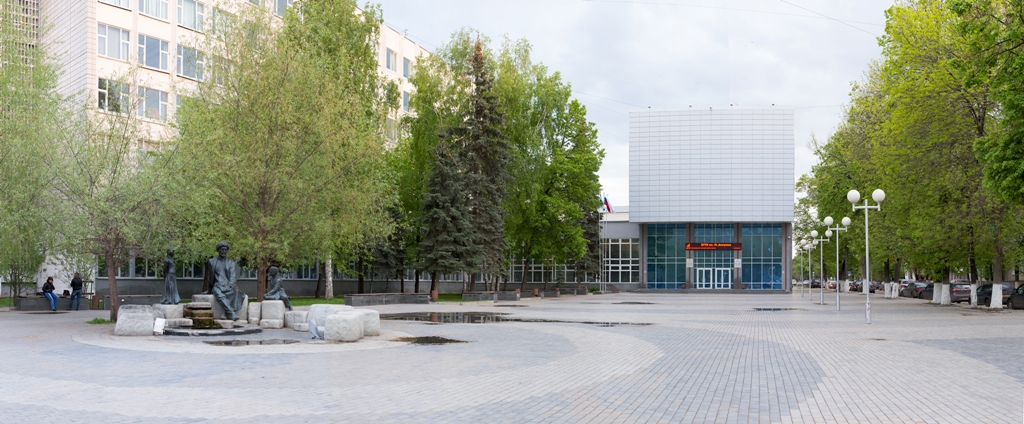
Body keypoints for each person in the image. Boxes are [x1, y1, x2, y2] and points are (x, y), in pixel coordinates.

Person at [204, 241, 244, 320]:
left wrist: (229, 285)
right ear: (218, 250)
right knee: (218, 293)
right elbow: (210, 278)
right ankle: (231, 313)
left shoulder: (231, 262)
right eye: (222, 249)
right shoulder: (212, 262)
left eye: (225, 249)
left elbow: (233, 277)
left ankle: (225, 314)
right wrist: (209, 289)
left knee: (235, 292)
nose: (224, 251)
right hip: (217, 285)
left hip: (228, 285)